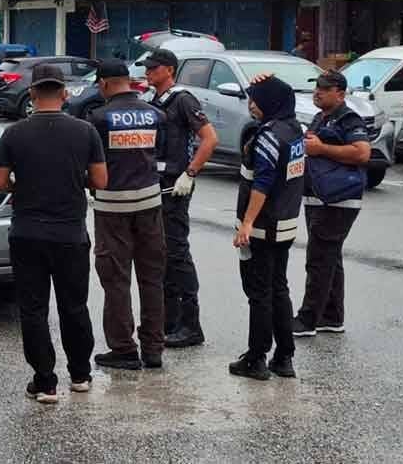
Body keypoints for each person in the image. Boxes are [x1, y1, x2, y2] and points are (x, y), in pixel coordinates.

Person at [0, 64, 108, 404]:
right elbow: (101, 181)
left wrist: (22, 184)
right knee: (74, 306)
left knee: (33, 309)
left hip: (27, 233)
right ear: (64, 93)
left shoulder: (14, 133)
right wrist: (73, 180)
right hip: (70, 233)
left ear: (31, 94)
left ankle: (45, 382)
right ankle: (81, 375)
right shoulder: (85, 131)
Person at [89, 60, 167, 371]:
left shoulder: (98, 118)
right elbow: (162, 155)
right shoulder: (155, 114)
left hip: (112, 208)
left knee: (116, 279)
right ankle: (153, 349)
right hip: (150, 204)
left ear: (104, 84)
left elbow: (92, 165)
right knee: (152, 278)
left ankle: (123, 349)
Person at [231, 77, 304, 381]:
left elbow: (262, 183)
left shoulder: (269, 137)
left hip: (263, 227)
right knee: (279, 289)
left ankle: (256, 358)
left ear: (271, 103)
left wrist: (247, 223)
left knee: (259, 293)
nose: (251, 105)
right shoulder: (294, 130)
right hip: (285, 224)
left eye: (256, 100)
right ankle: (284, 357)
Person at [144, 49, 218, 348]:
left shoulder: (183, 99)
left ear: (169, 70)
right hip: (157, 183)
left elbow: (210, 138)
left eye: (154, 68)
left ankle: (191, 325)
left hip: (176, 186)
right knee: (161, 254)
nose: (148, 72)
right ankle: (169, 320)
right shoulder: (154, 101)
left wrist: (190, 172)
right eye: (147, 68)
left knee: (177, 253)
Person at [294, 70, 370, 337]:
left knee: (319, 259)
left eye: (325, 89)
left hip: (338, 200)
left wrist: (322, 149)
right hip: (318, 197)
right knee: (331, 258)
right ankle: (331, 316)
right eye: (317, 87)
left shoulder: (349, 119)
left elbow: (362, 153)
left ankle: (307, 320)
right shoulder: (320, 117)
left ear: (340, 94)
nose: (318, 92)